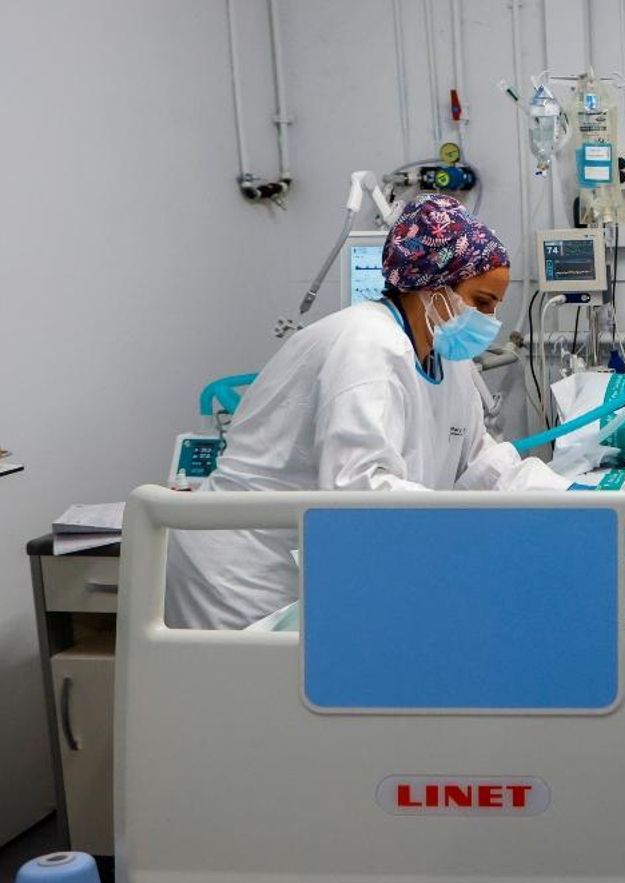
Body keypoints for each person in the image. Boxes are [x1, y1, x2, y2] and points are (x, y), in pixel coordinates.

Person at [166, 195, 524, 630]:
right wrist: (467, 540)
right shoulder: (368, 345)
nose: (491, 320)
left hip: (312, 570)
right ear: (431, 285)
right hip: (245, 578)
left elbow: (481, 462)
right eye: (482, 301)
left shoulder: (447, 358)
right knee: (254, 694)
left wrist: (585, 504)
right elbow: (360, 489)